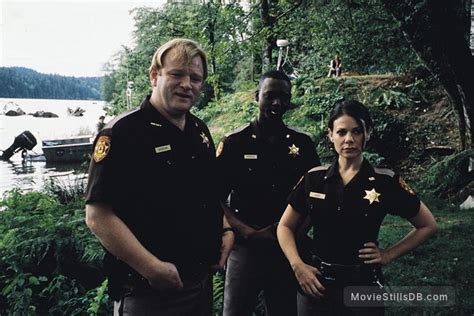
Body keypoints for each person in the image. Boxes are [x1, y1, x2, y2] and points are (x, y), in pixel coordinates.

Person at [84, 38, 234, 316]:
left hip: (201, 282)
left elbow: (207, 194)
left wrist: (225, 230)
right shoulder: (123, 132)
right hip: (148, 292)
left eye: (195, 77)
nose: (187, 84)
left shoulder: (199, 131)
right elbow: (97, 216)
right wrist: (152, 268)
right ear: (155, 75)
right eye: (177, 74)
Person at [277, 100, 438, 315]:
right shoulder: (314, 178)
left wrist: (388, 254)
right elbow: (285, 226)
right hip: (317, 284)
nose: (349, 140)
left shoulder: (385, 181)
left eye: (356, 131)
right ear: (330, 135)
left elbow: (427, 225)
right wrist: (298, 265)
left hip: (363, 285)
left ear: (367, 133)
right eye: (341, 132)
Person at [217, 70, 321, 316]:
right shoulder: (235, 143)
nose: (277, 103)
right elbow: (214, 198)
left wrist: (294, 233)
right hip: (245, 246)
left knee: (284, 308)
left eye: (283, 97)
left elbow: (315, 197)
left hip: (288, 247)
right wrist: (247, 232)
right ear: (257, 96)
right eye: (270, 96)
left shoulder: (302, 144)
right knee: (236, 310)